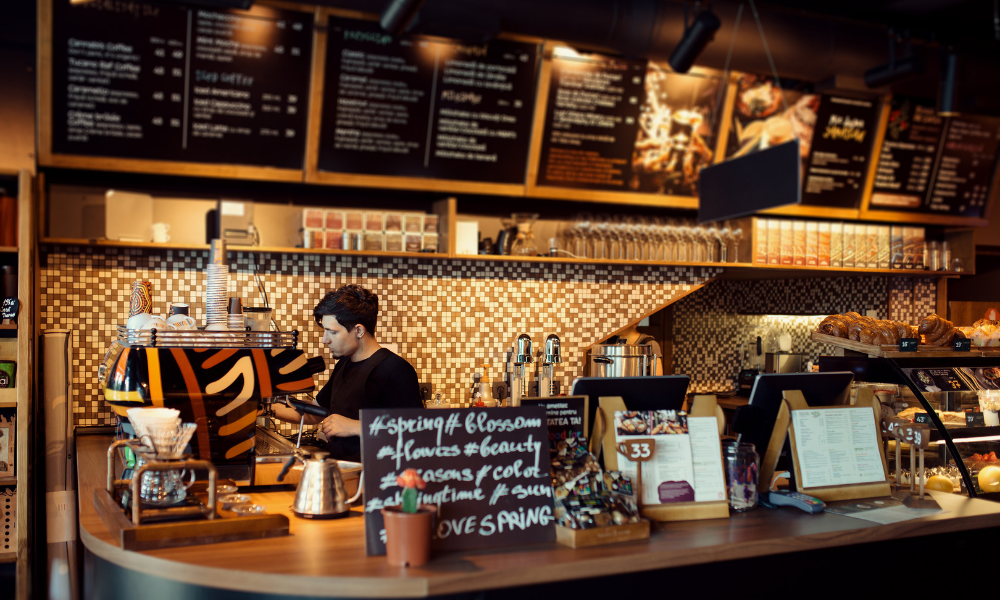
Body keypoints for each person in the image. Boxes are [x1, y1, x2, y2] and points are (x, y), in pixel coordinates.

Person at [271, 284, 423, 461]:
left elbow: (417, 430)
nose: (324, 340)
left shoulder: (394, 370)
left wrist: (356, 427)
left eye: (332, 332)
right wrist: (263, 409)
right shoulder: (344, 364)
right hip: (345, 471)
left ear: (358, 330)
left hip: (375, 479)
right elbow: (314, 413)